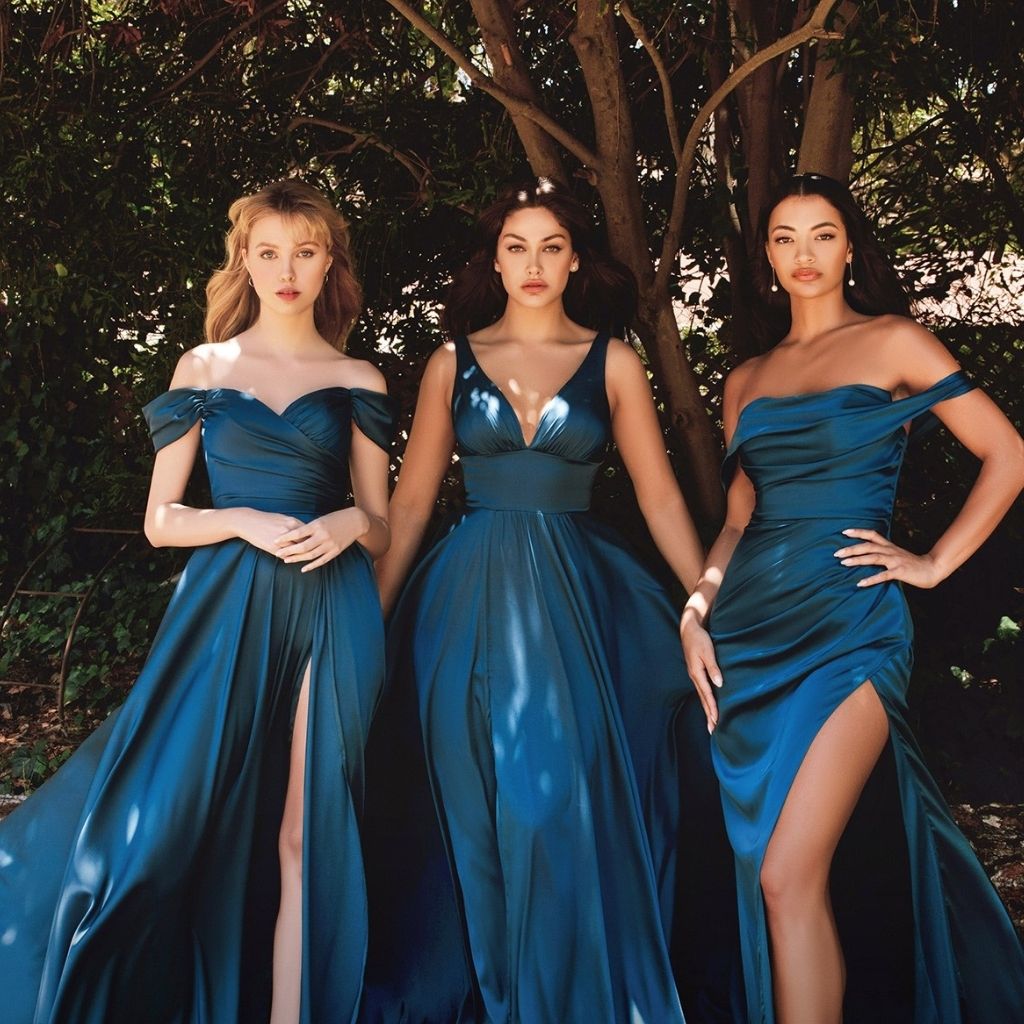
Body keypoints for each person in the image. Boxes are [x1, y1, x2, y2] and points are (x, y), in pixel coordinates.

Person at [0, 178, 396, 1024]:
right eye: (269, 253)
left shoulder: (358, 375)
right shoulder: (205, 368)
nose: (286, 270)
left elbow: (384, 525)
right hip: (226, 612)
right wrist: (245, 518)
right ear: (244, 263)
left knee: (307, 832)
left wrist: (342, 519)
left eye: (305, 252)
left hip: (333, 611)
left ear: (330, 263)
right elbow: (160, 521)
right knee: (166, 834)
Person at [362, 178, 737, 1024]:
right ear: (494, 261)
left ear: (576, 261)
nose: (533, 265)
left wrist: (703, 602)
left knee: (552, 802)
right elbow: (413, 503)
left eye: (551, 247)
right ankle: (493, 989)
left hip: (579, 596)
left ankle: (566, 993)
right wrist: (371, 616)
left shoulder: (614, 360)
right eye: (517, 247)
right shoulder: (450, 361)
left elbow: (661, 498)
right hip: (466, 598)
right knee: (475, 801)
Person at [681, 172, 1024, 1024]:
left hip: (853, 624)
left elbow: (1008, 454)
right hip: (749, 630)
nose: (804, 254)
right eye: (785, 237)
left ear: (849, 246)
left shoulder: (895, 342)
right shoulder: (745, 379)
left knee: (785, 871)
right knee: (777, 879)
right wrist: (696, 608)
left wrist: (935, 562)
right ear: (765, 257)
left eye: (822, 234)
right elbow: (736, 521)